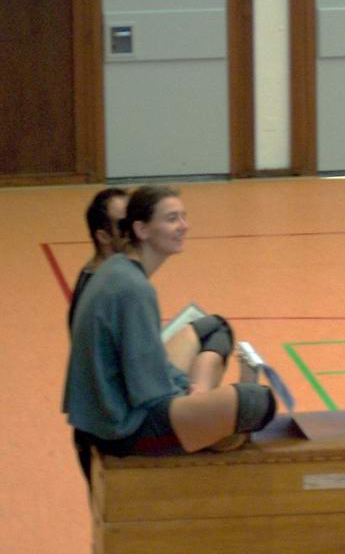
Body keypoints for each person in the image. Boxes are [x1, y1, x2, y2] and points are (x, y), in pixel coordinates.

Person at [63, 185, 276, 482]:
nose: (183, 226)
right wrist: (186, 398)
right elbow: (146, 389)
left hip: (115, 405)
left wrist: (193, 393)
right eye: (172, 219)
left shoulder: (117, 268)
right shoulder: (133, 289)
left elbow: (147, 363)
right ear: (142, 229)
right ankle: (202, 424)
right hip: (121, 427)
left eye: (183, 217)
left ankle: (201, 409)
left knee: (214, 328)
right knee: (257, 402)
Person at [68, 187, 129, 329]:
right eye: (124, 224)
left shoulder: (112, 276)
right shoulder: (103, 291)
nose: (136, 228)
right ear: (103, 236)